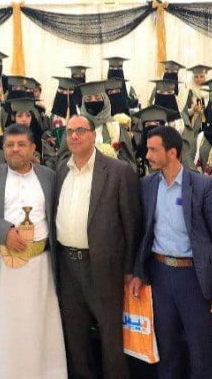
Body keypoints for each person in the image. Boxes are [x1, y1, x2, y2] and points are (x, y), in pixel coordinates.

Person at [128, 125, 212, 379]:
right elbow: (143, 234)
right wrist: (138, 273)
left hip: (194, 279)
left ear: (172, 152)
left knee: (200, 351)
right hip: (160, 276)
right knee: (167, 350)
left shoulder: (202, 185)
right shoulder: (147, 185)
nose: (147, 156)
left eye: (153, 150)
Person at [0, 123, 67, 379]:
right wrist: (5, 232)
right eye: (10, 145)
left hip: (39, 268)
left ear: (33, 148)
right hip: (0, 268)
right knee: (1, 329)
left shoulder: (49, 177)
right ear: (3, 149)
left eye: (21, 144)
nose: (15, 149)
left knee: (36, 327)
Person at [52, 114, 140, 379]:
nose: (74, 136)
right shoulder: (61, 171)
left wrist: (129, 269)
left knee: (111, 339)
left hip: (103, 267)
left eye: (80, 130)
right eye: (70, 132)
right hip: (68, 266)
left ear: (94, 135)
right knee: (75, 337)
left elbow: (132, 225)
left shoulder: (118, 171)